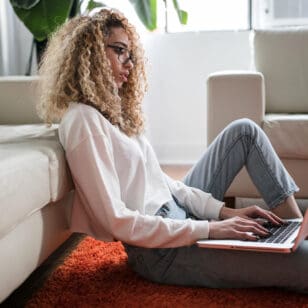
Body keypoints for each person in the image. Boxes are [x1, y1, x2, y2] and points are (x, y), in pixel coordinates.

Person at [37, 8, 307, 293]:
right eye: (119, 51)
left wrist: (221, 212)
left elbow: (163, 183)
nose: (129, 64)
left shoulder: (116, 114)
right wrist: (209, 229)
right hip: (160, 252)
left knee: (244, 132)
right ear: (89, 53)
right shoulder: (82, 120)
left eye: (131, 54)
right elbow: (115, 220)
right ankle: (294, 245)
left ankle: (294, 230)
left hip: (179, 216)